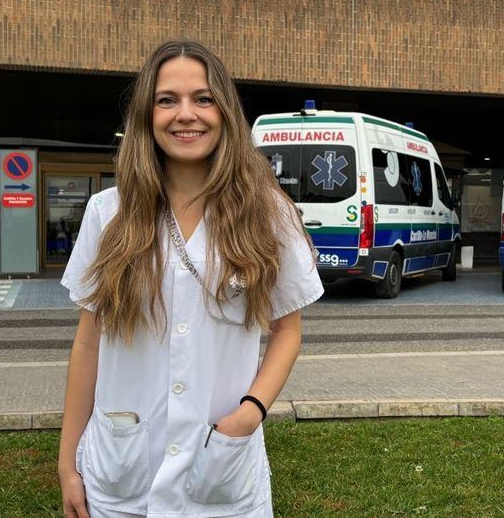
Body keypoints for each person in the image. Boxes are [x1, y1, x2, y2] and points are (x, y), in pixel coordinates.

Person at [57, 40, 323, 518]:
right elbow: (89, 342)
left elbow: (287, 329)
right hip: (120, 476)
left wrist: (249, 414)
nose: (186, 114)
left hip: (220, 471)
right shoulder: (108, 213)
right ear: (146, 115)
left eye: (203, 98)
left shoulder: (268, 214)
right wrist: (66, 465)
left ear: (224, 110)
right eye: (167, 100)